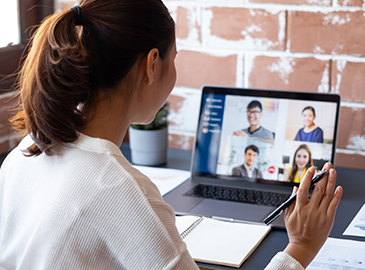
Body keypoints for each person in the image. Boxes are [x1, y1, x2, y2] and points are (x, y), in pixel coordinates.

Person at [0, 0, 342, 269]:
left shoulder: (26, 152)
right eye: (173, 57)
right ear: (152, 64)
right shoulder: (118, 190)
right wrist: (300, 248)